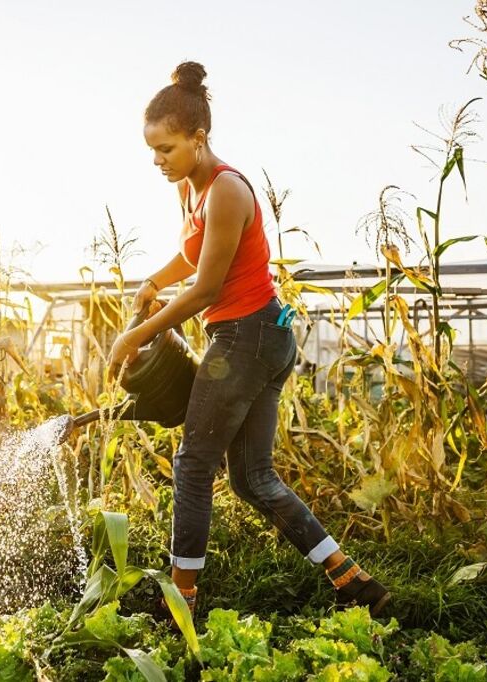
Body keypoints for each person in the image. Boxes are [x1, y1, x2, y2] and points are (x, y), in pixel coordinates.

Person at [108, 61, 390, 617]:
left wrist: (135, 335)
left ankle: (180, 601)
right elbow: (193, 256)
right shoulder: (190, 190)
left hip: (247, 338)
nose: (158, 161)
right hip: (256, 337)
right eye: (152, 151)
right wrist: (152, 282)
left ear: (198, 138)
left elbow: (209, 287)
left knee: (192, 465)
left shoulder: (227, 190)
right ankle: (354, 581)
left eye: (166, 148)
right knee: (252, 479)